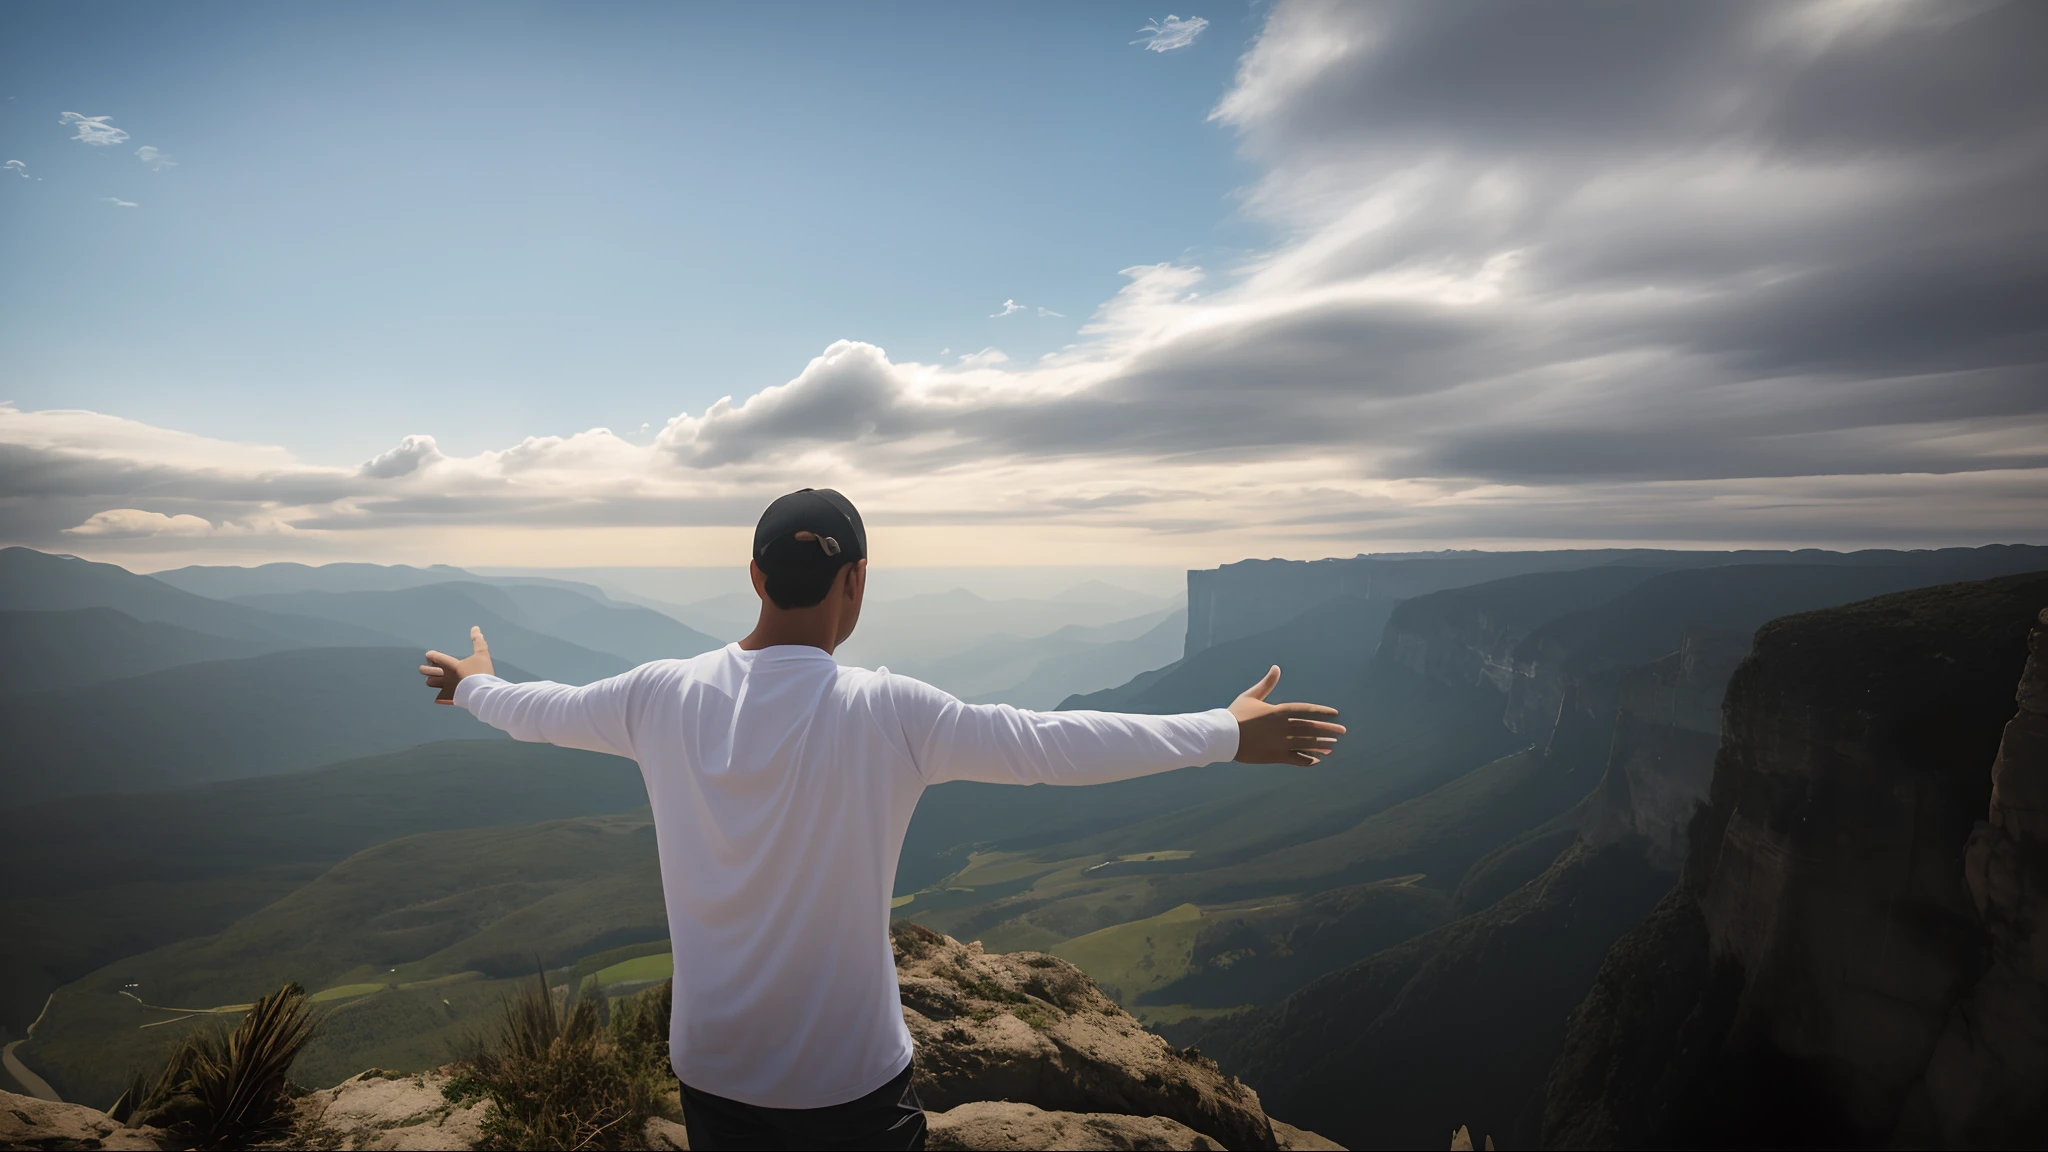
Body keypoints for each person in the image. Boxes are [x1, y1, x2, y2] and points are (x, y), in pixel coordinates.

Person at [418, 488, 1344, 1151]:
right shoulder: (889, 712)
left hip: (710, 1071)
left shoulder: (658, 696)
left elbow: (539, 712)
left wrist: (474, 685)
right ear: (857, 581)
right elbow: (1052, 744)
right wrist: (1223, 733)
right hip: (849, 1087)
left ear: (753, 575)